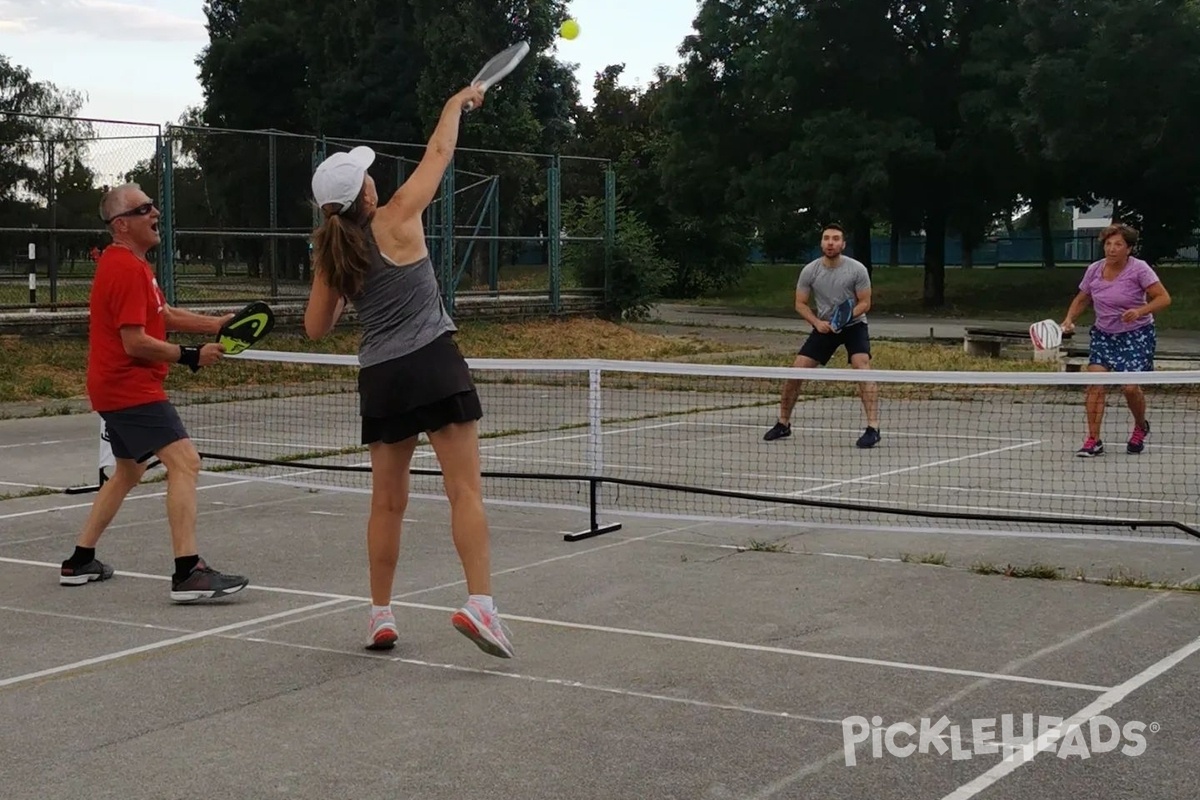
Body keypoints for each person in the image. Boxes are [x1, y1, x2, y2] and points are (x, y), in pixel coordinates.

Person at [303, 84, 515, 659]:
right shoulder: (396, 216)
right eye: (366, 175)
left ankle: (379, 616)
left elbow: (315, 328)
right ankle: (482, 606)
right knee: (463, 489)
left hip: (382, 378)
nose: (373, 178)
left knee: (386, 504)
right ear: (364, 193)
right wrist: (454, 105)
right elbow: (440, 156)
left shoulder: (333, 254)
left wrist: (343, 284)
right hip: (433, 364)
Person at [60, 183, 250, 603]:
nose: (155, 212)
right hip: (129, 385)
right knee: (186, 462)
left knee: (128, 471)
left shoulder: (130, 265)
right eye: (144, 208)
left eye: (154, 205)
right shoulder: (126, 269)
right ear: (121, 225)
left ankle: (79, 560)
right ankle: (188, 572)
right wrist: (191, 356)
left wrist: (216, 324)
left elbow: (163, 315)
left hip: (114, 386)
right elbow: (135, 342)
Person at [763, 224, 881, 448]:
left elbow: (865, 303)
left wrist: (844, 319)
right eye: (826, 238)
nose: (831, 243)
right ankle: (783, 423)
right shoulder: (810, 270)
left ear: (843, 244)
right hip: (824, 327)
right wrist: (818, 323)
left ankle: (873, 428)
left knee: (862, 368)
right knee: (796, 371)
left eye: (836, 239)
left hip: (853, 325)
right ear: (821, 243)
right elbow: (800, 303)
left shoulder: (857, 269)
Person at [1060, 222, 1170, 457]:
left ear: (1128, 249)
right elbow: (1082, 298)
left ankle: (1141, 426)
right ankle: (1093, 440)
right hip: (1103, 335)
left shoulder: (1139, 269)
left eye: (1118, 244)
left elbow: (1163, 298)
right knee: (1095, 385)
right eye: (1108, 244)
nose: (1111, 249)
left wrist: (1139, 311)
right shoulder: (1094, 270)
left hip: (1137, 334)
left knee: (1130, 387)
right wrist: (1069, 319)